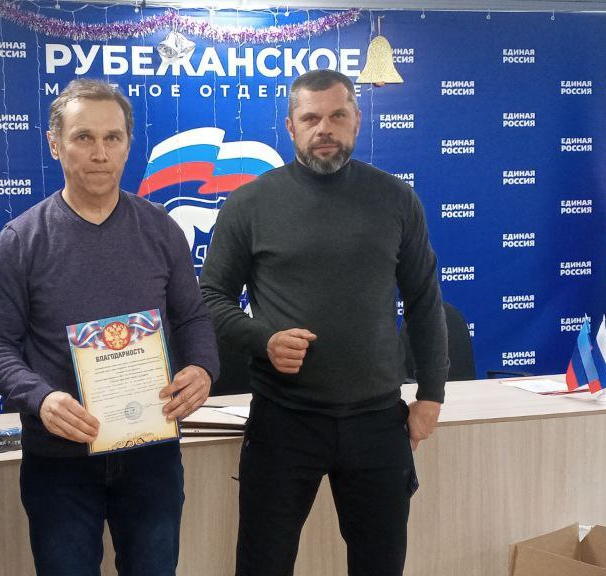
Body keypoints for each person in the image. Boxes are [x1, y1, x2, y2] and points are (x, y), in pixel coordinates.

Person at [199, 69, 450, 576]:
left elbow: (425, 301)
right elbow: (210, 299)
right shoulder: (249, 203)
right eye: (311, 118)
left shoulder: (396, 199)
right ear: (291, 127)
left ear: (357, 119)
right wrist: (264, 340)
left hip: (378, 422)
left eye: (337, 115)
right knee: (263, 566)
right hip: (283, 421)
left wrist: (431, 395)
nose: (325, 129)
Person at [0, 78, 219, 575]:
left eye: (113, 138)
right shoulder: (22, 239)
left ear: (128, 143)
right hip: (58, 461)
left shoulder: (162, 229)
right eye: (83, 137)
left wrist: (202, 368)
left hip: (152, 452)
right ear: (55, 144)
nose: (100, 153)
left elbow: (192, 316)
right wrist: (41, 398)